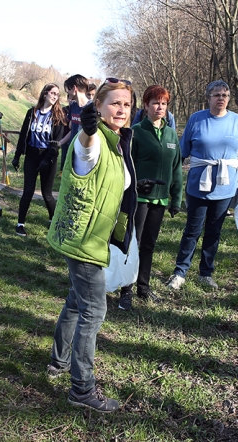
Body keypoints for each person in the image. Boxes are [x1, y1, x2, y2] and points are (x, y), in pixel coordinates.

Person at [46, 78, 138, 413]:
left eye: (127, 104)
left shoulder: (116, 141)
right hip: (85, 240)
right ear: (97, 105)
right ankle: (82, 389)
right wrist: (86, 129)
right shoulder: (96, 137)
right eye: (115, 103)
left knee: (76, 300)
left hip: (90, 236)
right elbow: (85, 150)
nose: (121, 110)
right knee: (94, 310)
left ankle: (58, 362)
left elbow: (112, 180)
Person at [166, 79, 238, 291]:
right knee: (192, 230)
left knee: (214, 231)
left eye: (224, 95)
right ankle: (180, 272)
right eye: (216, 95)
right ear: (208, 97)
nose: (221, 98)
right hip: (199, 185)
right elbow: (182, 152)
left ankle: (205, 273)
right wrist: (172, 176)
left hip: (225, 186)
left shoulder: (237, 121)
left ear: (229, 99)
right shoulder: (197, 120)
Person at [117, 85, 183, 311]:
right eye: (155, 103)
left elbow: (176, 168)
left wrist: (176, 198)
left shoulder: (172, 134)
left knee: (149, 245)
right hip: (140, 198)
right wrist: (134, 185)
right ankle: (125, 289)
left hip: (160, 200)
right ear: (145, 106)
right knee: (132, 244)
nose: (160, 107)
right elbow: (126, 165)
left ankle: (143, 288)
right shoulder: (135, 131)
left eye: (164, 104)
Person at [11, 83, 67, 237]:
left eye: (57, 94)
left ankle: (54, 222)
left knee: (46, 194)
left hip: (48, 157)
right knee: (28, 191)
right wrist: (17, 156)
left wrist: (47, 159)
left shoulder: (58, 116)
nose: (55, 96)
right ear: (45, 94)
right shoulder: (32, 113)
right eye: (52, 93)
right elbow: (23, 135)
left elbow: (57, 142)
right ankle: (20, 224)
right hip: (32, 155)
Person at [58, 75, 90, 174]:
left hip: (85, 153)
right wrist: (60, 143)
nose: (67, 92)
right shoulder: (73, 106)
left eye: (68, 89)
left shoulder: (92, 108)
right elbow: (72, 130)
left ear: (74, 88)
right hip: (72, 150)